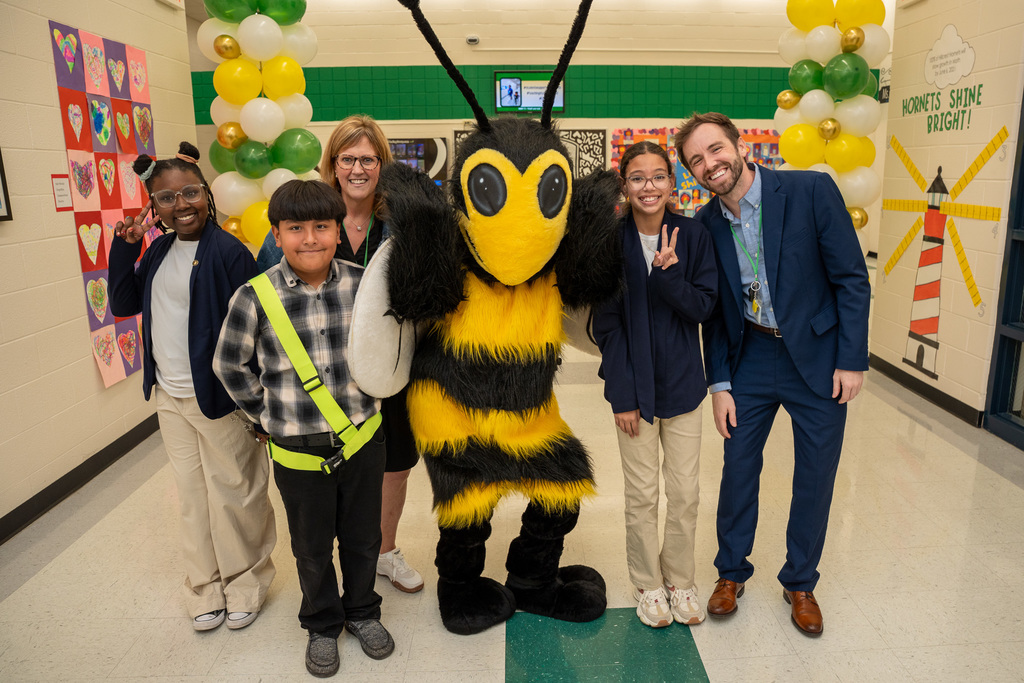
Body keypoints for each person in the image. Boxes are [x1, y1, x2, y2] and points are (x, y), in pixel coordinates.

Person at [673, 113, 870, 636]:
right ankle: (730, 574)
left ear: (739, 145)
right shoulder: (705, 225)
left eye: (716, 150)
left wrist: (852, 359)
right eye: (696, 160)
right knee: (737, 469)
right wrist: (720, 385)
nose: (710, 164)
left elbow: (851, 278)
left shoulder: (808, 190)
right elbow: (714, 313)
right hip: (751, 358)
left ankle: (800, 582)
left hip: (820, 357)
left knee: (815, 476)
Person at [214, 180, 395, 677]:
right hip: (296, 447)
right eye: (296, 229)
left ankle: (362, 611)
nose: (310, 239)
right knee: (311, 546)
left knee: (363, 538)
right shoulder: (254, 296)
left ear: (340, 231)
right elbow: (230, 365)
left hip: (362, 439)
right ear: (276, 233)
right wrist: (265, 416)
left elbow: (394, 348)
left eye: (322, 226)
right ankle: (321, 622)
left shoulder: (365, 285)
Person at [108, 141, 276, 632]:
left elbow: (258, 332)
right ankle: (204, 588)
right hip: (170, 397)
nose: (180, 205)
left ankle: (246, 584)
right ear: (153, 207)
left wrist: (256, 406)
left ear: (206, 193)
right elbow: (122, 302)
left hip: (219, 399)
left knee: (236, 493)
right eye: (166, 198)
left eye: (189, 193)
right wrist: (126, 244)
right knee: (191, 495)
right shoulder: (157, 249)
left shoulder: (228, 253)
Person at [256, 115, 423, 594]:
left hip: (390, 365)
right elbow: (267, 292)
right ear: (332, 164)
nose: (357, 168)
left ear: (381, 163)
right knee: (329, 467)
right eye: (347, 158)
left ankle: (385, 551)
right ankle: (335, 561)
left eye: (368, 159)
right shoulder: (308, 217)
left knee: (395, 461)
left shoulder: (401, 219)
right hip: (319, 371)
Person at [593, 141, 717, 629]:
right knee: (642, 495)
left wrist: (668, 278)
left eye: (658, 176)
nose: (649, 186)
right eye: (638, 177)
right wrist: (621, 395)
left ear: (673, 182)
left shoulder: (693, 235)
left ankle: (680, 579)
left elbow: (704, 307)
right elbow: (607, 327)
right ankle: (647, 584)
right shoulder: (610, 241)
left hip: (684, 387)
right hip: (635, 394)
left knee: (685, 493)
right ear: (624, 185)